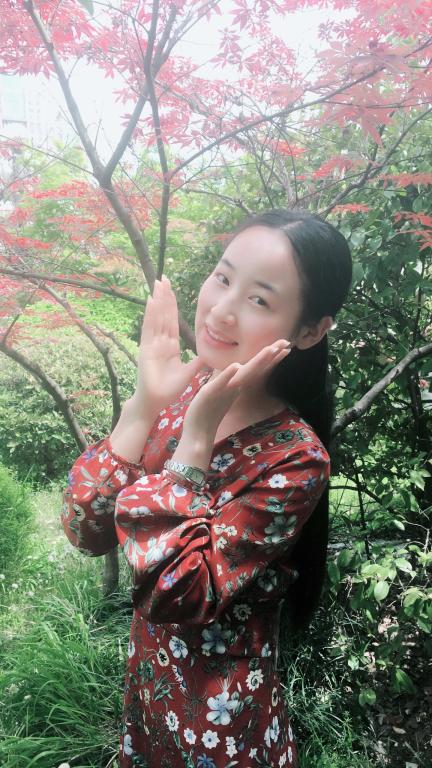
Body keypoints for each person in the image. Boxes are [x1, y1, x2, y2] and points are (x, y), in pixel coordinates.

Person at [61, 208, 352, 768]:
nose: (221, 310)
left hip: (222, 731)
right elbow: (85, 529)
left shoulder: (295, 458)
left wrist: (193, 445)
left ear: (310, 331)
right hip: (148, 704)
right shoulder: (175, 398)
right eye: (223, 277)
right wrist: (145, 404)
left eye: (259, 299)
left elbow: (179, 595)